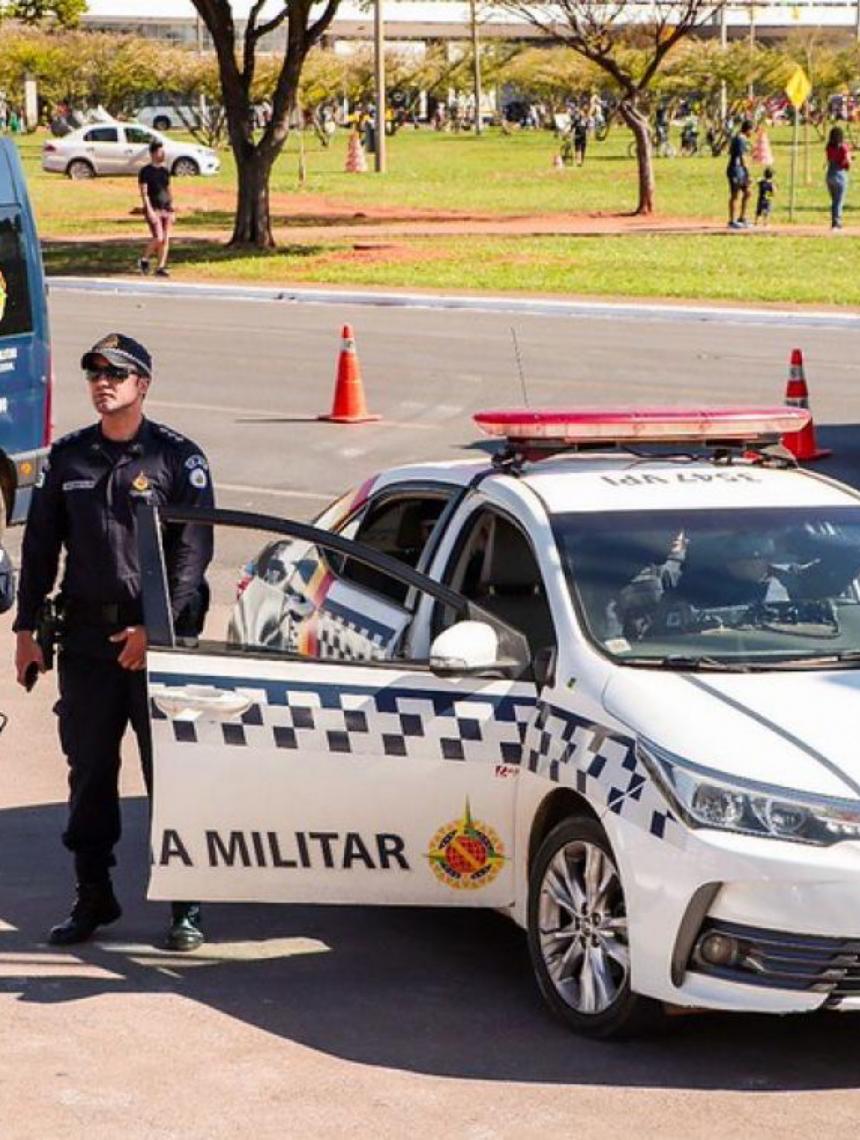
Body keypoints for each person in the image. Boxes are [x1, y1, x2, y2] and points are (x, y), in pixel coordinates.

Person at [13, 333, 214, 952]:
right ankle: (93, 895)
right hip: (88, 643)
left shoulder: (177, 459)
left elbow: (194, 553)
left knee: (172, 775)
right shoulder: (68, 459)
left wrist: (155, 628)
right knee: (90, 771)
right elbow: (41, 545)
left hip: (158, 643)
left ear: (143, 385)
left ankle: (186, 904)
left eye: (117, 374)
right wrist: (24, 630)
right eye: (95, 373)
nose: (104, 382)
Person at [138, 140, 174, 277]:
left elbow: (169, 189)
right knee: (158, 237)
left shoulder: (165, 171)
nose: (162, 153)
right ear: (153, 153)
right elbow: (144, 192)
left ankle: (161, 267)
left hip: (166, 208)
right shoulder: (145, 171)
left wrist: (172, 208)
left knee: (165, 239)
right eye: (160, 151)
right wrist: (149, 210)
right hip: (154, 208)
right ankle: (144, 259)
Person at [726, 119, 754, 229]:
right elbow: (742, 158)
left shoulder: (742, 139)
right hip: (736, 170)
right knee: (735, 195)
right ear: (748, 129)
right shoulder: (739, 139)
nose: (752, 133)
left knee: (748, 192)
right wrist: (748, 173)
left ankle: (742, 217)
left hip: (741, 170)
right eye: (752, 130)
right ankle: (732, 221)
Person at [825, 126, 851, 231]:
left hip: (830, 174)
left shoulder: (828, 146)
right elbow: (847, 161)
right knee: (839, 201)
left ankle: (834, 222)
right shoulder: (844, 147)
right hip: (840, 174)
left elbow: (829, 159)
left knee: (834, 201)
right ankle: (837, 223)